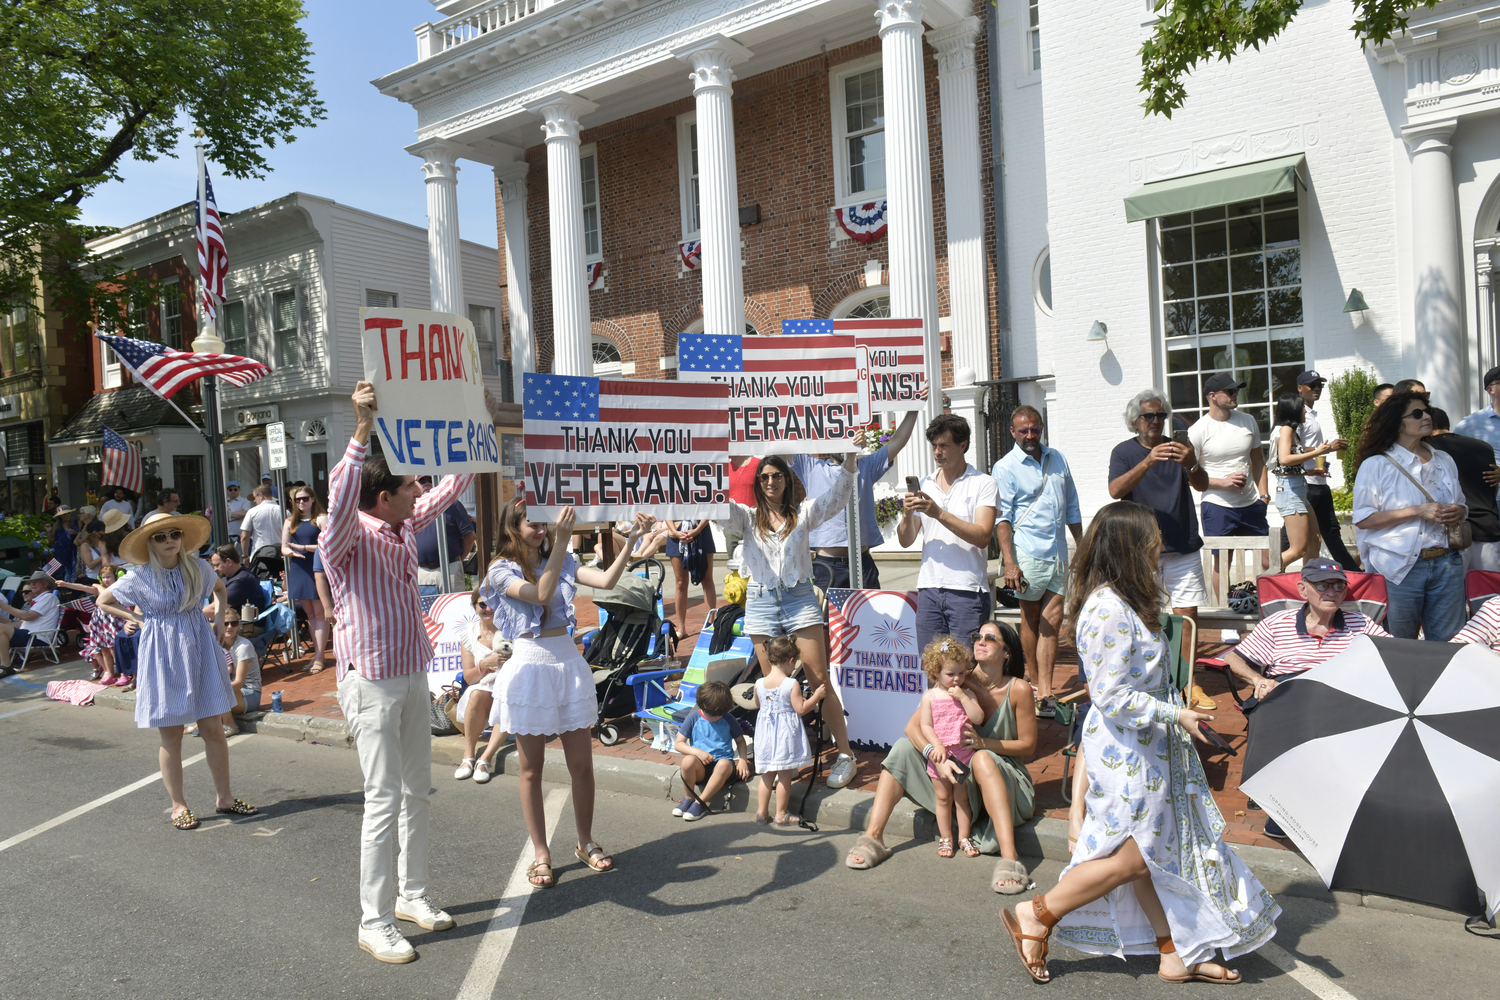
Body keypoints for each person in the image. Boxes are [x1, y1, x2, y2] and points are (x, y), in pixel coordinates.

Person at [1000, 501, 1279, 985]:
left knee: (1155, 852)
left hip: (1148, 747)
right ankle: (1038, 913)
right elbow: (1110, 697)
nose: (1159, 546)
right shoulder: (1108, 608)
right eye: (1150, 538)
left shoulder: (1125, 601)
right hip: (1127, 751)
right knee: (1136, 854)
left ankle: (1174, 953)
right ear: (1128, 546)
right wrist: (1178, 714)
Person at [322, 381, 474, 964]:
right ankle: (374, 920)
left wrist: (471, 428)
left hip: (409, 674)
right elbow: (340, 498)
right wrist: (361, 429)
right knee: (382, 799)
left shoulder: (404, 524)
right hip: (371, 680)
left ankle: (413, 896)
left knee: (417, 793)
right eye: (411, 483)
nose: (422, 490)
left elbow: (452, 486)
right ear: (382, 495)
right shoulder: (345, 537)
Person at [484, 500, 651, 888]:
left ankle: (585, 840)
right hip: (529, 667)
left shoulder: (560, 556)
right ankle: (541, 853)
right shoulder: (500, 570)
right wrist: (561, 541)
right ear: (512, 525)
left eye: (545, 523)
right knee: (531, 768)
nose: (541, 529)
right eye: (532, 523)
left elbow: (607, 581)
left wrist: (632, 542)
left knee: (582, 766)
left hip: (568, 664)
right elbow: (541, 595)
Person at [94, 511, 257, 830]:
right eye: (160, 536)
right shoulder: (138, 576)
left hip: (199, 646)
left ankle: (224, 798)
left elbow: (220, 590)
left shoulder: (197, 567)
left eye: (174, 534)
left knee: (213, 728)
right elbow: (103, 600)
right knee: (171, 735)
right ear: (149, 543)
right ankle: (177, 805)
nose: (169, 540)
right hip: (162, 653)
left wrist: (221, 618)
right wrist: (138, 620)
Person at [846, 622, 1036, 893]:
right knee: (901, 749)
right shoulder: (957, 677)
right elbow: (914, 728)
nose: (980, 641)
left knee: (982, 758)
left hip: (1005, 779)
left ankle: (1010, 859)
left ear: (1008, 652)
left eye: (990, 638)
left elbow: (1028, 746)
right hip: (958, 775)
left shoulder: (1018, 689)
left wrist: (984, 744)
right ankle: (873, 838)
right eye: (977, 635)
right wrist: (935, 757)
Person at [723, 450, 861, 788]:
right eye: (765, 477)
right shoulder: (745, 516)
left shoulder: (802, 513)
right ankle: (783, 755)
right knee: (773, 687)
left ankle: (846, 755)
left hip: (799, 597)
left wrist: (850, 461)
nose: (771, 482)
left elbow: (837, 499)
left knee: (818, 679)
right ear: (757, 483)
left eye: (777, 475)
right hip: (760, 600)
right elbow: (715, 508)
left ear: (787, 480)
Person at [1107, 389, 1214, 711]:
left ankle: (1188, 683)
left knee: (1188, 618)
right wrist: (1148, 461)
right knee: (1143, 617)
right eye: (1148, 416)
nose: (1155, 421)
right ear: (1134, 421)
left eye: (1160, 415)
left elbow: (1203, 485)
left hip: (1182, 545)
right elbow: (1115, 490)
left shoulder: (1181, 447)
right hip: (1141, 550)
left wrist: (1192, 463)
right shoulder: (1124, 452)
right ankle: (1147, 679)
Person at [1353, 391, 1468, 640]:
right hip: (1399, 566)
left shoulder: (1444, 460)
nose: (1427, 416)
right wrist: (1417, 511)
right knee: (1398, 643)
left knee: (1449, 644)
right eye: (1417, 413)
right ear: (1397, 422)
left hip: (1448, 562)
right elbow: (1363, 519)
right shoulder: (1376, 465)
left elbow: (1460, 503)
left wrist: (1459, 510)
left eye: (1427, 411)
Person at [992, 404, 1082, 718]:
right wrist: (1010, 562)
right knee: (1031, 619)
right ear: (1013, 432)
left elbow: (1072, 506)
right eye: (1023, 430)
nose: (1030, 435)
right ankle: (1032, 681)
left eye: (1035, 428)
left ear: (1041, 427)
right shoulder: (1004, 467)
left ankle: (1046, 689)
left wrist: (1082, 546)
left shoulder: (1057, 458)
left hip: (1058, 553)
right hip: (1027, 553)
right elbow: (1002, 519)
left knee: (1053, 620)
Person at [790, 400, 925, 591]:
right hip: (827, 567)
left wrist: (913, 408)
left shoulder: (867, 466)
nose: (845, 441)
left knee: (869, 620)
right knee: (828, 621)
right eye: (839, 436)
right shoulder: (812, 467)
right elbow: (783, 441)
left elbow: (898, 442)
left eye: (849, 435)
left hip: (863, 564)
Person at [898, 413, 999, 653]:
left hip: (967, 589)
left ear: (963, 445)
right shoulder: (926, 483)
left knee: (966, 667)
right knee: (932, 668)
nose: (937, 452)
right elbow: (905, 541)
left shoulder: (983, 483)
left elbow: (983, 536)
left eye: (944, 445)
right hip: (929, 588)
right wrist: (906, 514)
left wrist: (938, 513)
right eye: (934, 446)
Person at [1188, 373, 1270, 587]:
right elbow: (1189, 476)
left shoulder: (1248, 421)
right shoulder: (1198, 430)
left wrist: (1264, 496)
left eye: (1237, 390)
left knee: (1269, 560)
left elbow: (1258, 461)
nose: (1236, 394)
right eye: (1231, 391)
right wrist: (1222, 482)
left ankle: (1267, 606)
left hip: (1252, 503)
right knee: (1223, 563)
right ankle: (1223, 610)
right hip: (1218, 506)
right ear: (1213, 396)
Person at [918, 636, 986, 859]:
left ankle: (963, 837)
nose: (957, 679)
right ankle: (945, 837)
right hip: (940, 756)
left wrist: (964, 699)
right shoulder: (930, 697)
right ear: (936, 672)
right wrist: (936, 745)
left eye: (961, 673)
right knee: (943, 798)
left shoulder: (967, 694)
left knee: (961, 798)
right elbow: (925, 725)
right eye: (950, 674)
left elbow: (978, 718)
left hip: (963, 754)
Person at [749, 635, 825, 826]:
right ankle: (781, 814)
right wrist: (816, 696)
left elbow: (759, 704)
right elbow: (801, 709)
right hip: (784, 734)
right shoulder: (791, 684)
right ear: (791, 661)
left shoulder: (759, 683)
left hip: (765, 734)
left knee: (766, 775)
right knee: (784, 774)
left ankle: (761, 813)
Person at [1294, 372, 1359, 570]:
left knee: (1329, 532)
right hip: (1306, 484)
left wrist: (1326, 454)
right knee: (1295, 540)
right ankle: (1268, 573)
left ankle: (1352, 574)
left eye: (1319, 385)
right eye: (1311, 385)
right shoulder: (1298, 414)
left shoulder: (1311, 415)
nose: (1316, 389)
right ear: (1299, 388)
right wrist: (1327, 448)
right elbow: (1290, 449)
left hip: (1319, 482)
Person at [1271, 392, 1342, 566]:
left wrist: (1311, 471)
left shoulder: (1292, 432)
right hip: (1290, 492)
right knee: (1298, 549)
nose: (1305, 411)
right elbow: (1285, 458)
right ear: (1294, 409)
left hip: (1298, 489)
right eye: (1303, 407)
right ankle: (1264, 575)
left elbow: (1284, 467)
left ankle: (1309, 581)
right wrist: (1318, 451)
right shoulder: (1286, 429)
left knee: (1315, 541)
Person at [1427, 406, 1500, 573]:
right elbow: (1492, 485)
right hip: (1486, 525)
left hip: (1452, 532)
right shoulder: (1483, 447)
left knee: (1453, 595)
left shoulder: (1428, 451)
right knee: (1490, 595)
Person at [453, 588, 512, 785]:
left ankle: (485, 759)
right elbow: (469, 677)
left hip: (509, 682)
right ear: (474, 607)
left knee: (507, 698)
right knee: (476, 693)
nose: (488, 608)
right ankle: (468, 756)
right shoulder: (468, 635)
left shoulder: (511, 629)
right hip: (483, 683)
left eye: (492, 603)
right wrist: (486, 664)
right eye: (482, 604)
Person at [671, 680, 751, 822]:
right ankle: (689, 797)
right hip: (701, 767)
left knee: (724, 764)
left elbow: (740, 740)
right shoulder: (694, 717)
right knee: (687, 760)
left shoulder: (728, 719)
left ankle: (700, 802)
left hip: (723, 769)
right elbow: (679, 744)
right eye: (710, 714)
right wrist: (697, 752)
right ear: (703, 705)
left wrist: (743, 761)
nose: (713, 718)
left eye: (718, 715)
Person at [283, 485, 330, 673]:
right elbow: (283, 547)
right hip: (298, 568)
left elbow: (326, 545)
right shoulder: (289, 521)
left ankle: (320, 656)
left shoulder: (320, 518)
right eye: (297, 499)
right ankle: (317, 655)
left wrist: (302, 549)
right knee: (310, 615)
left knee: (320, 614)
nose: (301, 502)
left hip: (316, 567)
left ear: (312, 499)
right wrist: (292, 551)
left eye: (305, 498)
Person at [414, 477, 476, 595]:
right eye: (422, 481)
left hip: (450, 569)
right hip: (422, 572)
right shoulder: (411, 508)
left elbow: (470, 536)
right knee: (426, 612)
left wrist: (458, 560)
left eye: (430, 480)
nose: (427, 484)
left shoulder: (453, 505)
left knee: (453, 609)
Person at [0, 571, 64, 673]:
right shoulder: (39, 600)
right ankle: (4, 664)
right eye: (31, 582)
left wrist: (3, 606)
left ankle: (6, 666)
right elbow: (23, 622)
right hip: (28, 635)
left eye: (35, 582)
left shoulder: (48, 597)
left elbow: (28, 616)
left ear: (45, 584)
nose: (32, 584)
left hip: (37, 637)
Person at [663, 519, 717, 635]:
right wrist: (674, 531)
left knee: (706, 579)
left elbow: (708, 508)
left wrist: (697, 530)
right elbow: (666, 510)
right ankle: (681, 629)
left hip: (701, 530)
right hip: (677, 533)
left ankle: (711, 624)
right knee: (680, 583)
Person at [720, 455, 759, 567]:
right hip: (731, 525)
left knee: (757, 562)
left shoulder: (758, 464)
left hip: (755, 522)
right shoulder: (724, 468)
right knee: (735, 564)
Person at [240, 485, 283, 561]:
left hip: (259, 555)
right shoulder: (284, 512)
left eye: (254, 497)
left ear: (260, 496)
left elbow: (244, 536)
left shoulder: (252, 512)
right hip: (280, 554)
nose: (254, 500)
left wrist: (245, 555)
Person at [49, 507, 78, 583]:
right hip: (60, 552)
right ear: (60, 516)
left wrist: (76, 533)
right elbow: (52, 541)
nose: (67, 515)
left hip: (73, 551)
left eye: (69, 513)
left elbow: (83, 536)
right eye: (64, 514)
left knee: (74, 570)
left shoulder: (76, 523)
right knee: (52, 571)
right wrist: (48, 532)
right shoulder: (56, 526)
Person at [75, 519, 108, 584]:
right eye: (103, 531)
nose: (105, 533)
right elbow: (90, 565)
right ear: (95, 533)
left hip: (107, 579)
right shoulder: (85, 546)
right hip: (93, 581)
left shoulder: (105, 542)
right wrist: (105, 555)